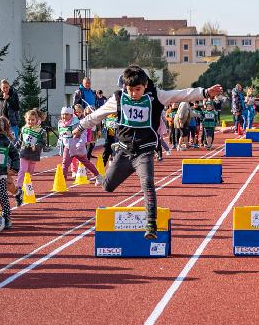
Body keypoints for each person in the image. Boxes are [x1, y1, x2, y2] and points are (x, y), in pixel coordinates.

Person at [78, 66, 222, 239]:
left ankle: (151, 225)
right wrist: (80, 126)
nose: (133, 94)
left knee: (148, 184)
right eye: (130, 90)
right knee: (107, 186)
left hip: (144, 152)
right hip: (124, 152)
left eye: (137, 90)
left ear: (145, 86)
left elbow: (182, 94)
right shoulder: (118, 98)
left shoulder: (157, 96)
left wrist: (205, 92)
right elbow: (98, 115)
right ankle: (111, 174)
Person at [58, 107, 102, 183]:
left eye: (66, 114)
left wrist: (80, 143)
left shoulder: (77, 123)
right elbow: (61, 135)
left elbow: (84, 134)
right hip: (68, 147)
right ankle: (62, 180)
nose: (64, 116)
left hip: (78, 148)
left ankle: (98, 176)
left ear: (71, 115)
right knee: (64, 163)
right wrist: (59, 142)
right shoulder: (61, 124)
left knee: (86, 163)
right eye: (62, 114)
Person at [14, 109, 47, 205]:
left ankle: (26, 186)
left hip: (34, 154)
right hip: (24, 153)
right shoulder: (24, 129)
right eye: (28, 120)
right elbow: (20, 141)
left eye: (33, 120)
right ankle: (19, 188)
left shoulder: (41, 131)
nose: (30, 122)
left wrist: (36, 146)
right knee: (22, 170)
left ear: (37, 120)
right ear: (25, 119)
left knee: (29, 172)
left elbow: (43, 143)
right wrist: (13, 148)